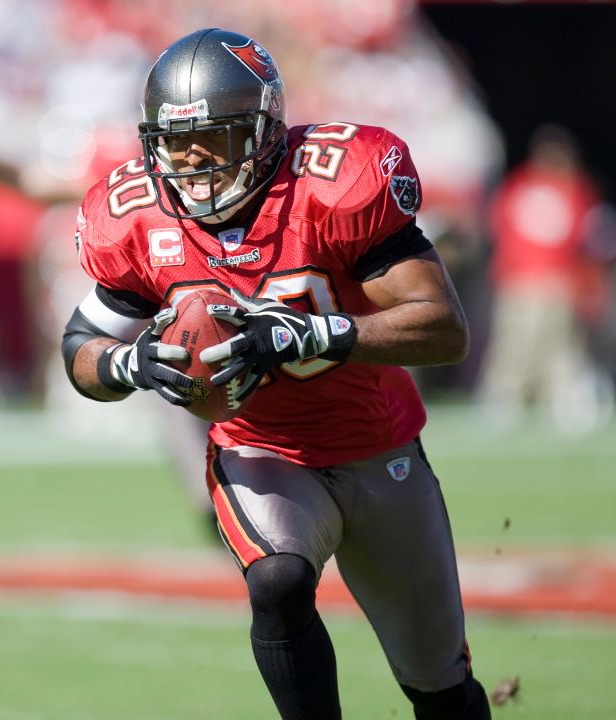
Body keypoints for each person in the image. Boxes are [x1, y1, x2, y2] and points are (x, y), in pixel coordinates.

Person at [60, 29, 490, 719]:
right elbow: (81, 344)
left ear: (264, 133)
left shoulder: (334, 185)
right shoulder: (138, 218)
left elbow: (442, 328)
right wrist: (127, 363)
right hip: (262, 449)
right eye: (176, 144)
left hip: (377, 447)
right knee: (279, 579)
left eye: (217, 141)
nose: (194, 164)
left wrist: (314, 333)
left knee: (439, 686)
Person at [477, 124, 616, 434]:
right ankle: (503, 402)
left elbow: (588, 238)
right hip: (523, 280)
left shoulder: (575, 188)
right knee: (515, 346)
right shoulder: (524, 185)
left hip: (556, 281)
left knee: (561, 348)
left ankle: (566, 404)